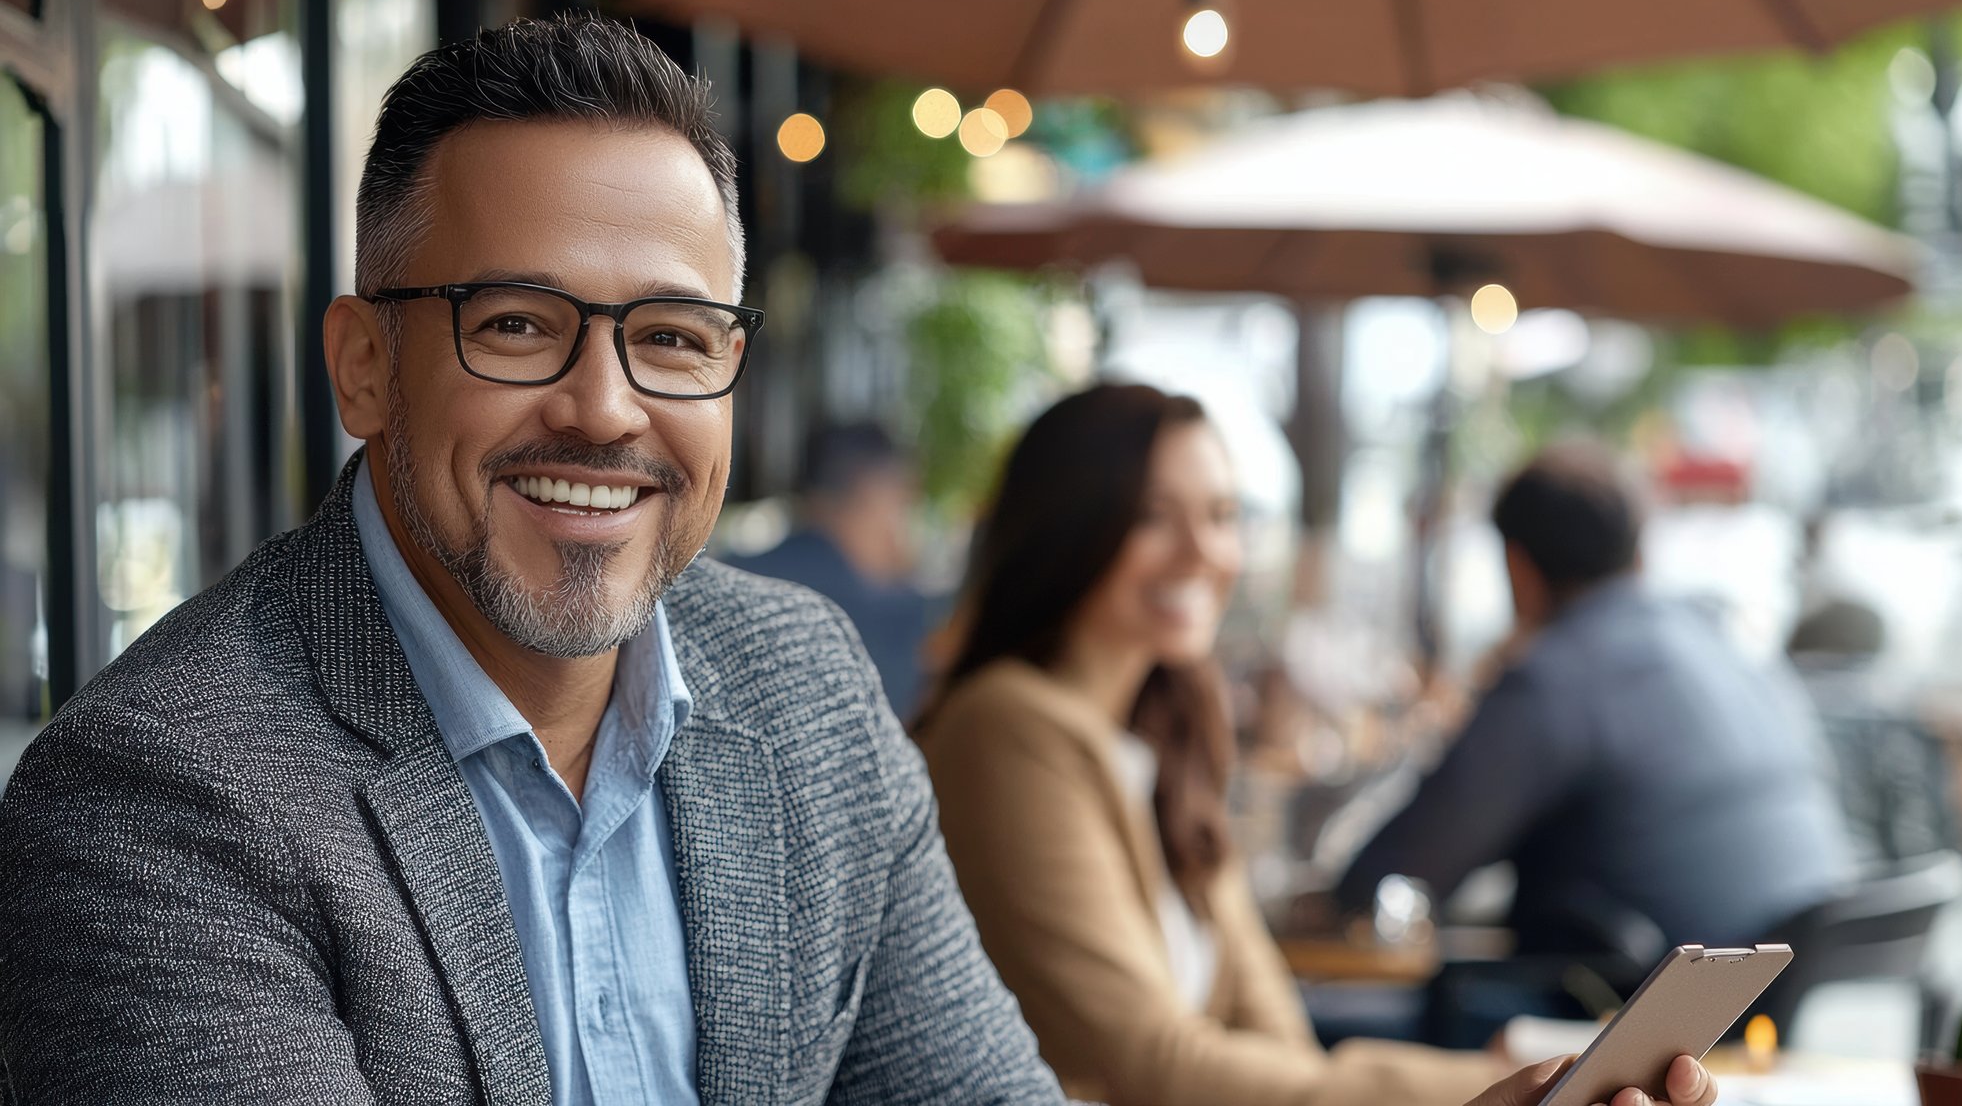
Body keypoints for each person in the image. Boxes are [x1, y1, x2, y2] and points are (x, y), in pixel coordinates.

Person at [0, 16, 1061, 1103]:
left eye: (671, 337)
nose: (604, 410)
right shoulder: (156, 795)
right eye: (514, 324)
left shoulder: (806, 692)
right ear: (363, 367)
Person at [919, 387, 1721, 1106]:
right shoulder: (1004, 729)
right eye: (1154, 516)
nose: (1204, 552)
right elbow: (1148, 1063)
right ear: (1067, 526)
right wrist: (1501, 1084)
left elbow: (1276, 1037)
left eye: (1223, 515)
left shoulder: (1162, 741)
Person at [1336, 442, 1852, 955]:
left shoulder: (1557, 676)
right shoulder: (1722, 637)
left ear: (1518, 567)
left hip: (1652, 1015)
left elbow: (1393, 875)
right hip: (1807, 977)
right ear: (1637, 551)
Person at [730, 421, 935, 720]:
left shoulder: (737, 570)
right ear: (874, 494)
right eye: (903, 501)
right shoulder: (897, 615)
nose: (904, 524)